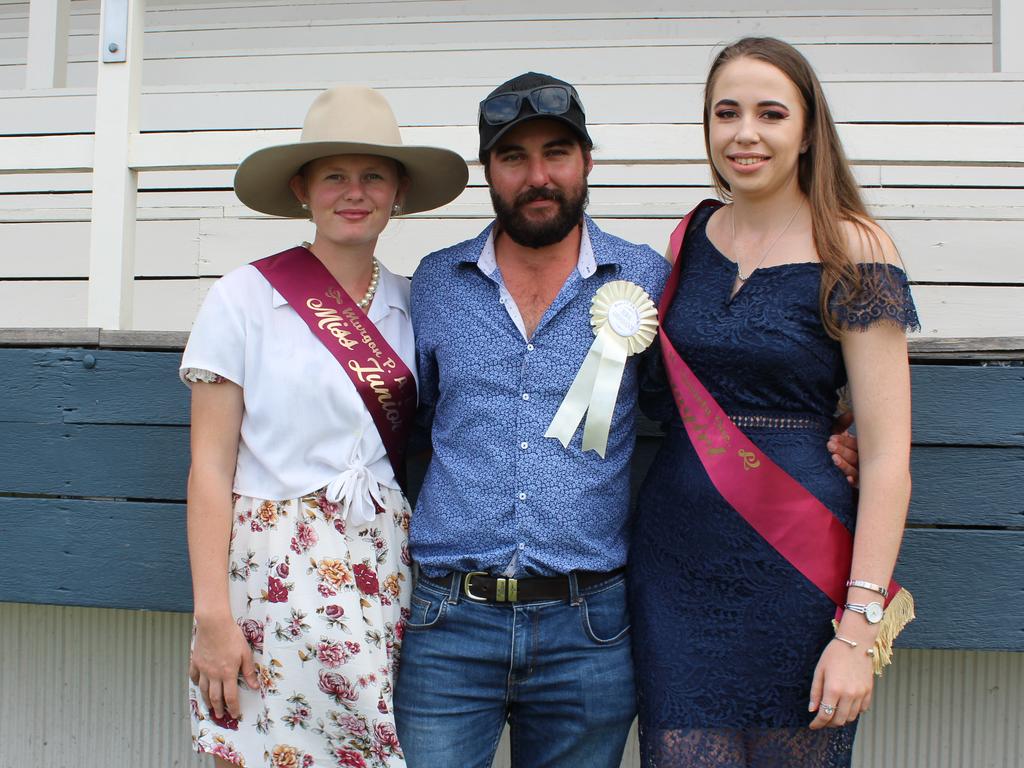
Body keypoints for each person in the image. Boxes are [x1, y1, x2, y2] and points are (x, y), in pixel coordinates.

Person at [392, 71, 860, 768]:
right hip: (448, 624)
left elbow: (726, 375)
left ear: (587, 161)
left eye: (557, 152)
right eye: (513, 157)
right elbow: (390, 419)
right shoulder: (433, 283)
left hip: (589, 633)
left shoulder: (645, 280)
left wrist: (838, 421)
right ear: (487, 170)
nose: (538, 175)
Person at [629, 37, 918, 767]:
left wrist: (856, 631)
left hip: (798, 570)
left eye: (770, 113)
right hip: (675, 569)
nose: (745, 133)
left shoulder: (855, 247)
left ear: (808, 130)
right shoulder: (689, 240)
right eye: (726, 113)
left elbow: (885, 458)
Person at [181, 85, 468, 768]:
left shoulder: (414, 302)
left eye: (374, 175)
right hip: (270, 571)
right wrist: (213, 616)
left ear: (398, 192)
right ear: (302, 188)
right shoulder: (243, 297)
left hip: (383, 564)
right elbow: (209, 468)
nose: (354, 191)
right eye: (334, 175)